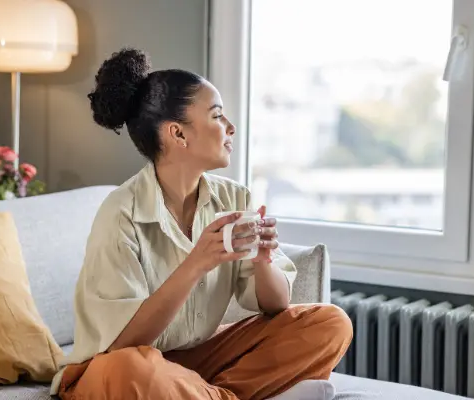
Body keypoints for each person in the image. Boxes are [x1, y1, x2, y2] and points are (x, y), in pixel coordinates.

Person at [50, 48, 352, 400]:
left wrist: (263, 259)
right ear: (178, 135)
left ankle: (206, 394)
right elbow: (124, 344)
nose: (230, 127)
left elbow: (276, 306)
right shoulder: (121, 214)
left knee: (329, 323)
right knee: (130, 369)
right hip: (113, 369)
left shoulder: (236, 199)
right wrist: (196, 263)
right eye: (217, 116)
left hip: (196, 361)